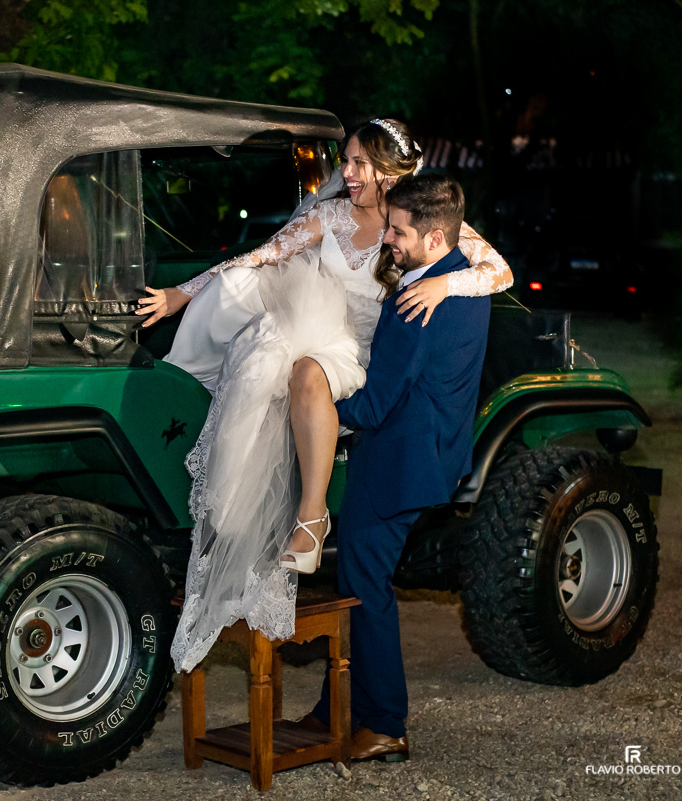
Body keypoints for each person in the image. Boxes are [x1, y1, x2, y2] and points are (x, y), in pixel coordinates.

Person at [163, 120, 511, 674]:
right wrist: (184, 292)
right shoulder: (329, 217)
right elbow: (259, 257)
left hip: (370, 354)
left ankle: (310, 517)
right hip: (321, 334)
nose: (345, 173)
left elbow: (499, 270)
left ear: (393, 173)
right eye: (344, 161)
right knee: (263, 355)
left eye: (359, 164)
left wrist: (445, 282)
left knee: (304, 375)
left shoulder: (421, 224)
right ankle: (225, 521)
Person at [301, 173, 491, 760]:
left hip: (397, 465)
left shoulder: (419, 299)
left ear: (435, 237)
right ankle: (339, 709)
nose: (387, 237)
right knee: (362, 583)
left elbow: (376, 404)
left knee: (365, 589)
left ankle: (383, 723)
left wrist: (312, 406)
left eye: (399, 230)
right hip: (427, 454)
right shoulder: (459, 282)